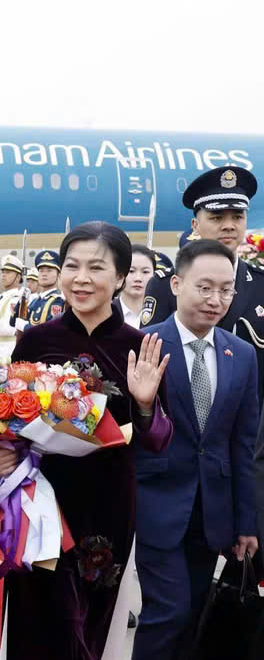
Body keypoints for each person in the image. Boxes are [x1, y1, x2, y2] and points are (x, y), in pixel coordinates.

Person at [0, 221, 173, 659]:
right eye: (72, 266)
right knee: (37, 616)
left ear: (122, 277)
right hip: (38, 501)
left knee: (89, 622)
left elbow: (160, 440)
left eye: (96, 267)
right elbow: (8, 420)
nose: (80, 278)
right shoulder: (35, 339)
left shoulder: (139, 346)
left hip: (106, 504)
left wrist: (144, 404)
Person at [132, 239, 260, 659]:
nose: (216, 300)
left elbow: (243, 446)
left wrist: (247, 522)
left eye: (225, 290)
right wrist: (146, 407)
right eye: (204, 288)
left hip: (213, 513)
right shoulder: (143, 344)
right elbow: (127, 433)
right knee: (168, 611)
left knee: (193, 618)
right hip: (158, 504)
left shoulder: (240, 354)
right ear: (176, 283)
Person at [143, 166, 264, 400]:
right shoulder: (165, 284)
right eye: (217, 217)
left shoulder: (260, 285)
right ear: (195, 226)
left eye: (237, 216)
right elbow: (149, 360)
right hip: (179, 425)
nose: (229, 225)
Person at [20, 250, 64, 332]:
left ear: (58, 274)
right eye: (41, 271)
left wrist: (25, 327)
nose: (44, 274)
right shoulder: (34, 301)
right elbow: (12, 322)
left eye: (49, 270)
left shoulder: (58, 300)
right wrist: (21, 300)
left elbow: (51, 330)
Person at [118, 245, 156, 329]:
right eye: (131, 271)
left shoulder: (161, 315)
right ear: (120, 275)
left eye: (145, 272)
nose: (138, 278)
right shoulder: (105, 313)